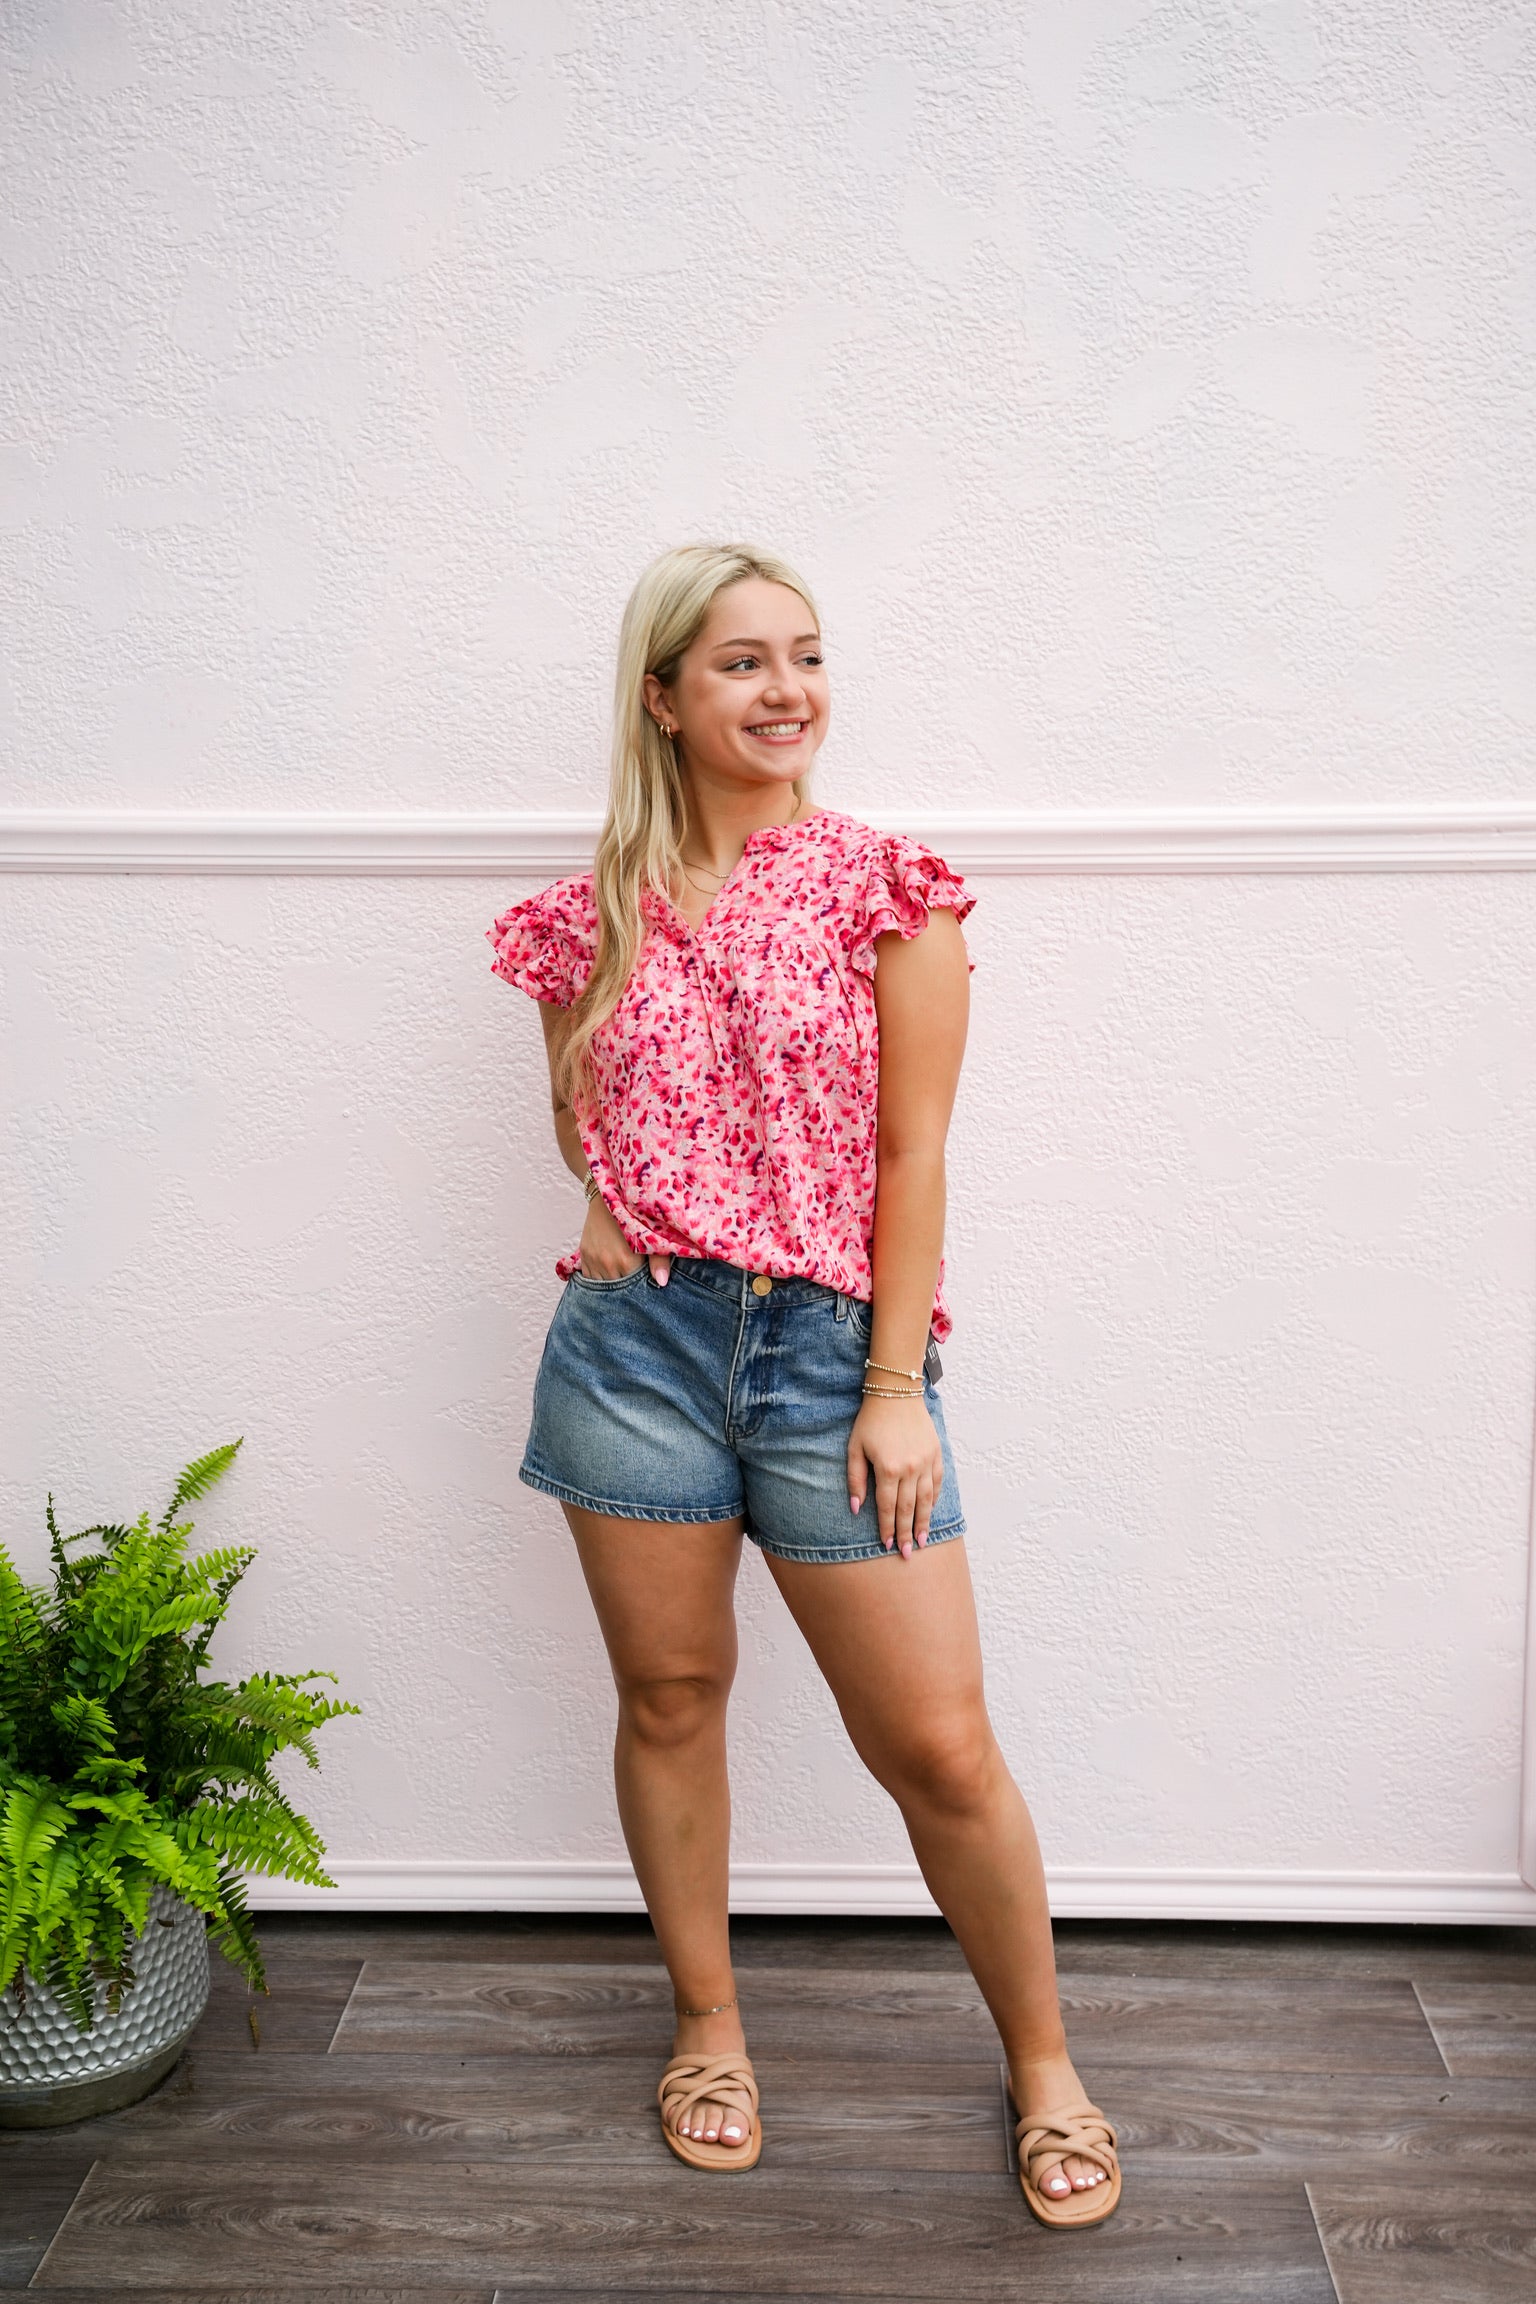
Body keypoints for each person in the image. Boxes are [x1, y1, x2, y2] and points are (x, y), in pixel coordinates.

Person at [485, 542, 1120, 2227]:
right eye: (743, 664)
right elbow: (578, 1109)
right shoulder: (590, 909)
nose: (788, 693)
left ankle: (1045, 2063)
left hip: (837, 1355)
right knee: (672, 1701)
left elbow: (912, 1153)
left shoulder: (884, 891)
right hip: (634, 1353)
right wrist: (621, 1219)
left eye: (808, 658)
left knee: (938, 1744)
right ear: (664, 697)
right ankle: (708, 2028)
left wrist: (893, 1388)